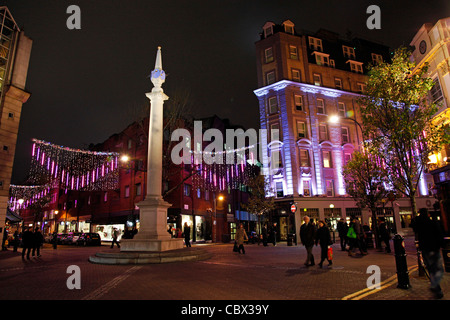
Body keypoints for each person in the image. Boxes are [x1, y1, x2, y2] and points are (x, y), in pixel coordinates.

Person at [414, 208, 445, 299]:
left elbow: (414, 227)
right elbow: (439, 234)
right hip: (434, 248)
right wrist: (441, 245)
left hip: (425, 249)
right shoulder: (432, 223)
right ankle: (435, 285)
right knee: (439, 269)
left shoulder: (419, 224)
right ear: (427, 214)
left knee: (431, 269)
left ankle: (437, 290)